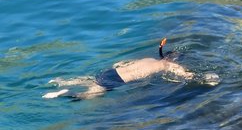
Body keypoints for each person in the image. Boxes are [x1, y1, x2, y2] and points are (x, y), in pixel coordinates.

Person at [43, 38, 220, 99]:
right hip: (120, 80)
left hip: (112, 72)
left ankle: (62, 82)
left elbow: (120, 64)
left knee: (92, 80)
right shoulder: (169, 66)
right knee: (92, 94)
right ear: (174, 60)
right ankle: (62, 94)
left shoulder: (149, 58)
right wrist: (203, 79)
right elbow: (187, 75)